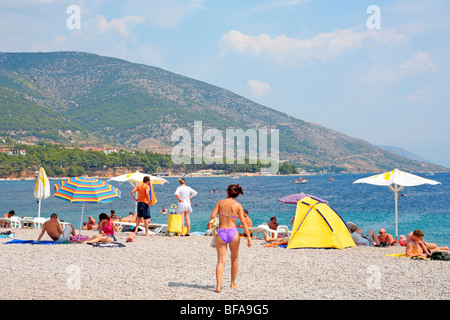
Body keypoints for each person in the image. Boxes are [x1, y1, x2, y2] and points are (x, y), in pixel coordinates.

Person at [208, 184, 251, 293]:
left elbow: (212, 216)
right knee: (234, 258)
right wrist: (249, 236)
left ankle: (218, 286)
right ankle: (232, 283)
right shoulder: (238, 205)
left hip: (221, 232)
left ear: (227, 192)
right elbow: (243, 222)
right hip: (233, 232)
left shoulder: (220, 202)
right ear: (236, 194)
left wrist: (213, 225)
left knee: (221, 261)